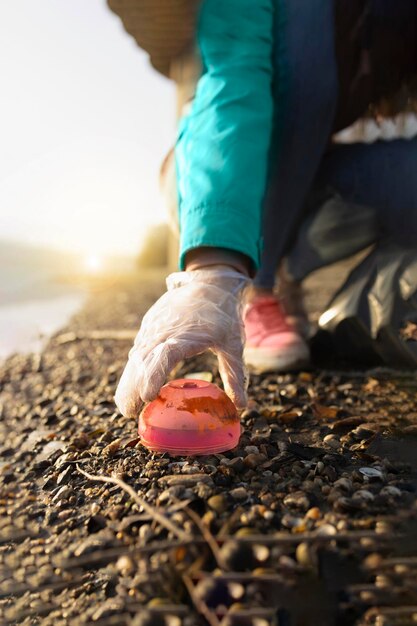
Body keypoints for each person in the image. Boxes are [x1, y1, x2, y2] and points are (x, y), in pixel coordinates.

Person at [108, 0, 417, 419]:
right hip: (211, 176)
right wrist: (214, 268)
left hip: (314, 183)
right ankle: (257, 285)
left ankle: (285, 275)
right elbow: (233, 82)